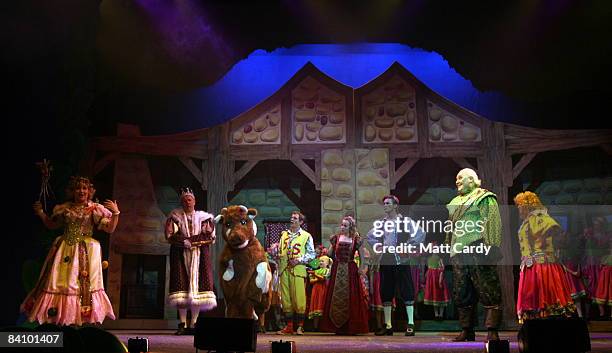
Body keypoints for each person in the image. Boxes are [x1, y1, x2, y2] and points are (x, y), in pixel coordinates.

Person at [21, 176, 118, 325]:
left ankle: (79, 318)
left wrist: (116, 214)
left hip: (86, 251)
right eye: (78, 188)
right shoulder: (65, 208)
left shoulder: (94, 209)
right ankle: (60, 317)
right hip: (64, 248)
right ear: (73, 191)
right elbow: (52, 225)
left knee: (82, 284)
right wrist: (41, 213)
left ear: (89, 191)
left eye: (85, 188)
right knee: (60, 283)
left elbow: (109, 228)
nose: (81, 191)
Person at [446, 168, 502, 342]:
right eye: (456, 178)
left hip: (478, 247)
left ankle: (492, 330)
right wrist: (448, 247)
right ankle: (466, 329)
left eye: (460, 178)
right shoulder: (454, 201)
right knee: (461, 290)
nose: (457, 181)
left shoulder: (484, 197)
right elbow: (450, 227)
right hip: (458, 250)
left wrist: (491, 245)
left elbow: (492, 221)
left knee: (488, 287)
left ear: (472, 180)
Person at [367, 195, 425, 336]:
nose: (385, 205)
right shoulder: (381, 223)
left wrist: (407, 246)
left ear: (395, 205)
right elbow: (370, 236)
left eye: (388, 203)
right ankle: (388, 325)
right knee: (386, 290)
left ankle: (410, 323)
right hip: (387, 258)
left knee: (407, 289)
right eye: (384, 203)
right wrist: (379, 246)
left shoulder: (405, 221)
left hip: (401, 258)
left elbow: (420, 233)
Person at [514, 191, 575, 323]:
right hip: (531, 266)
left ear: (527, 206)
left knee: (546, 298)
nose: (518, 208)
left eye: (520, 205)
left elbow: (557, 236)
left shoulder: (541, 219)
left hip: (543, 266)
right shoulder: (528, 221)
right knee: (533, 299)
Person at [165, 187, 216, 335]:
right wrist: (183, 242)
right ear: (181, 202)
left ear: (194, 201)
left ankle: (194, 323)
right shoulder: (175, 217)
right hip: (180, 255)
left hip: (199, 256)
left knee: (197, 290)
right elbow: (170, 236)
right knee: (181, 288)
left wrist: (190, 241)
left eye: (189, 199)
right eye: (184, 200)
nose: (187, 202)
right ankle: (182, 323)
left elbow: (209, 237)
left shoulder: (204, 218)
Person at [319, 216, 370, 335]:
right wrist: (328, 249)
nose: (342, 227)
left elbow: (362, 256)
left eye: (345, 225)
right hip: (337, 269)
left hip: (350, 270)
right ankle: (337, 327)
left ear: (350, 227)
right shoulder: (336, 238)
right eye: (342, 225)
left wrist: (362, 269)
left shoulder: (356, 239)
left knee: (351, 296)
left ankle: (350, 326)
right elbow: (330, 254)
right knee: (335, 297)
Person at [277, 211, 315, 335]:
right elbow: (281, 250)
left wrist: (298, 260)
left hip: (297, 270)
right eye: (291, 217)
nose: (292, 220)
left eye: (295, 218)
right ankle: (289, 326)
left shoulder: (306, 236)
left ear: (301, 222)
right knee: (286, 299)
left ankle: (300, 326)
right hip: (284, 270)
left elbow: (311, 254)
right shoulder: (284, 235)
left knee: (299, 298)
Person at [423, 245, 450, 320]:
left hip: (438, 278)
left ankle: (441, 315)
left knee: (440, 296)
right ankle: (436, 315)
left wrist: (440, 279)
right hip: (431, 280)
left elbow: (442, 269)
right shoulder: (429, 259)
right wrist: (425, 277)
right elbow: (428, 269)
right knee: (434, 296)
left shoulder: (439, 259)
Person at [307, 253, 332, 330]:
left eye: (323, 261)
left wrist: (315, 275)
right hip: (316, 290)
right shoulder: (316, 271)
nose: (321, 263)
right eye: (320, 261)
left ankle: (324, 326)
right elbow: (311, 281)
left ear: (327, 263)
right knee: (316, 306)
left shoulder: (328, 271)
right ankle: (315, 327)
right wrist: (317, 277)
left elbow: (324, 278)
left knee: (322, 305)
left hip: (323, 290)